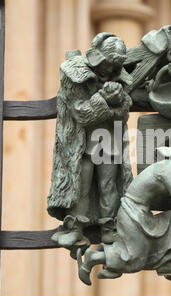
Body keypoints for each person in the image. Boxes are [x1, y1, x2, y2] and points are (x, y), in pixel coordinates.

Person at [77, 140, 171, 285]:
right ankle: (93, 258)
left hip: (142, 214)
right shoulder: (169, 168)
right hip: (132, 214)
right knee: (134, 258)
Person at [47, 32, 134, 255]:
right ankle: (75, 226)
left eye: (112, 66)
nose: (107, 71)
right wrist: (104, 99)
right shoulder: (76, 75)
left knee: (108, 186)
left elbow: (124, 114)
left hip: (108, 142)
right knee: (80, 186)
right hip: (82, 144)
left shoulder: (119, 79)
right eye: (105, 65)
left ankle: (109, 228)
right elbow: (81, 113)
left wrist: (118, 101)